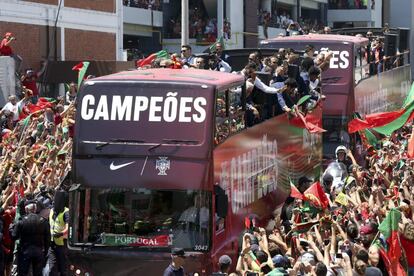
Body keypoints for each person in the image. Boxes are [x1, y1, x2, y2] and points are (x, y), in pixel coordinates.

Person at [11, 203, 50, 276]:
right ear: (35, 210)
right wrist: (45, 252)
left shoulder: (21, 221)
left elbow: (14, 236)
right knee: (38, 273)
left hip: (25, 252)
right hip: (39, 251)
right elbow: (48, 239)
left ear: (26, 210)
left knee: (23, 273)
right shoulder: (43, 221)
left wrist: (11, 229)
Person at [47, 191, 69, 276]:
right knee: (52, 268)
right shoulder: (51, 210)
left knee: (63, 268)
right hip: (51, 244)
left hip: (62, 244)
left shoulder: (66, 212)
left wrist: (60, 234)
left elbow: (68, 228)